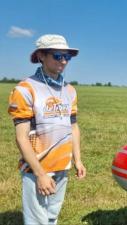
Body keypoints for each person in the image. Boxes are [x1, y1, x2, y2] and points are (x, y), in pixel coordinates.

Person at [8, 34, 86, 225]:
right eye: (58, 55)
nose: (64, 61)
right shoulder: (25, 89)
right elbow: (21, 138)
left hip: (62, 165)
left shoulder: (69, 90)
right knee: (37, 220)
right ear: (41, 56)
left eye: (68, 56)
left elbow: (73, 127)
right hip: (38, 167)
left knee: (52, 216)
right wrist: (40, 174)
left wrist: (77, 160)